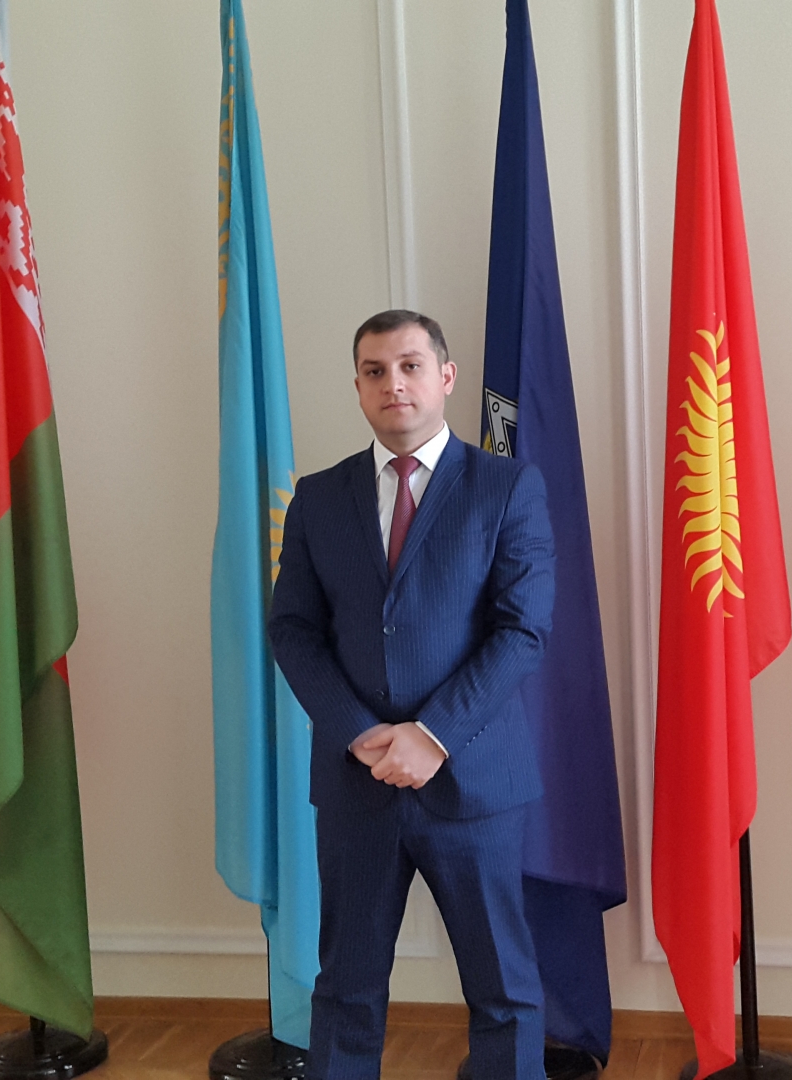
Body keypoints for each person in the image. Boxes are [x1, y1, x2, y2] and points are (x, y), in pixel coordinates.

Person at [268, 310, 554, 1080]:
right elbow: (292, 629)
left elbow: (523, 631)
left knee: (503, 990)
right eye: (374, 371)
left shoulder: (506, 488)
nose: (393, 383)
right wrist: (359, 732)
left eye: (410, 366)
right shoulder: (318, 498)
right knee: (346, 989)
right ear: (358, 387)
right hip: (357, 783)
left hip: (474, 783)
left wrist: (432, 735)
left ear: (445, 377)